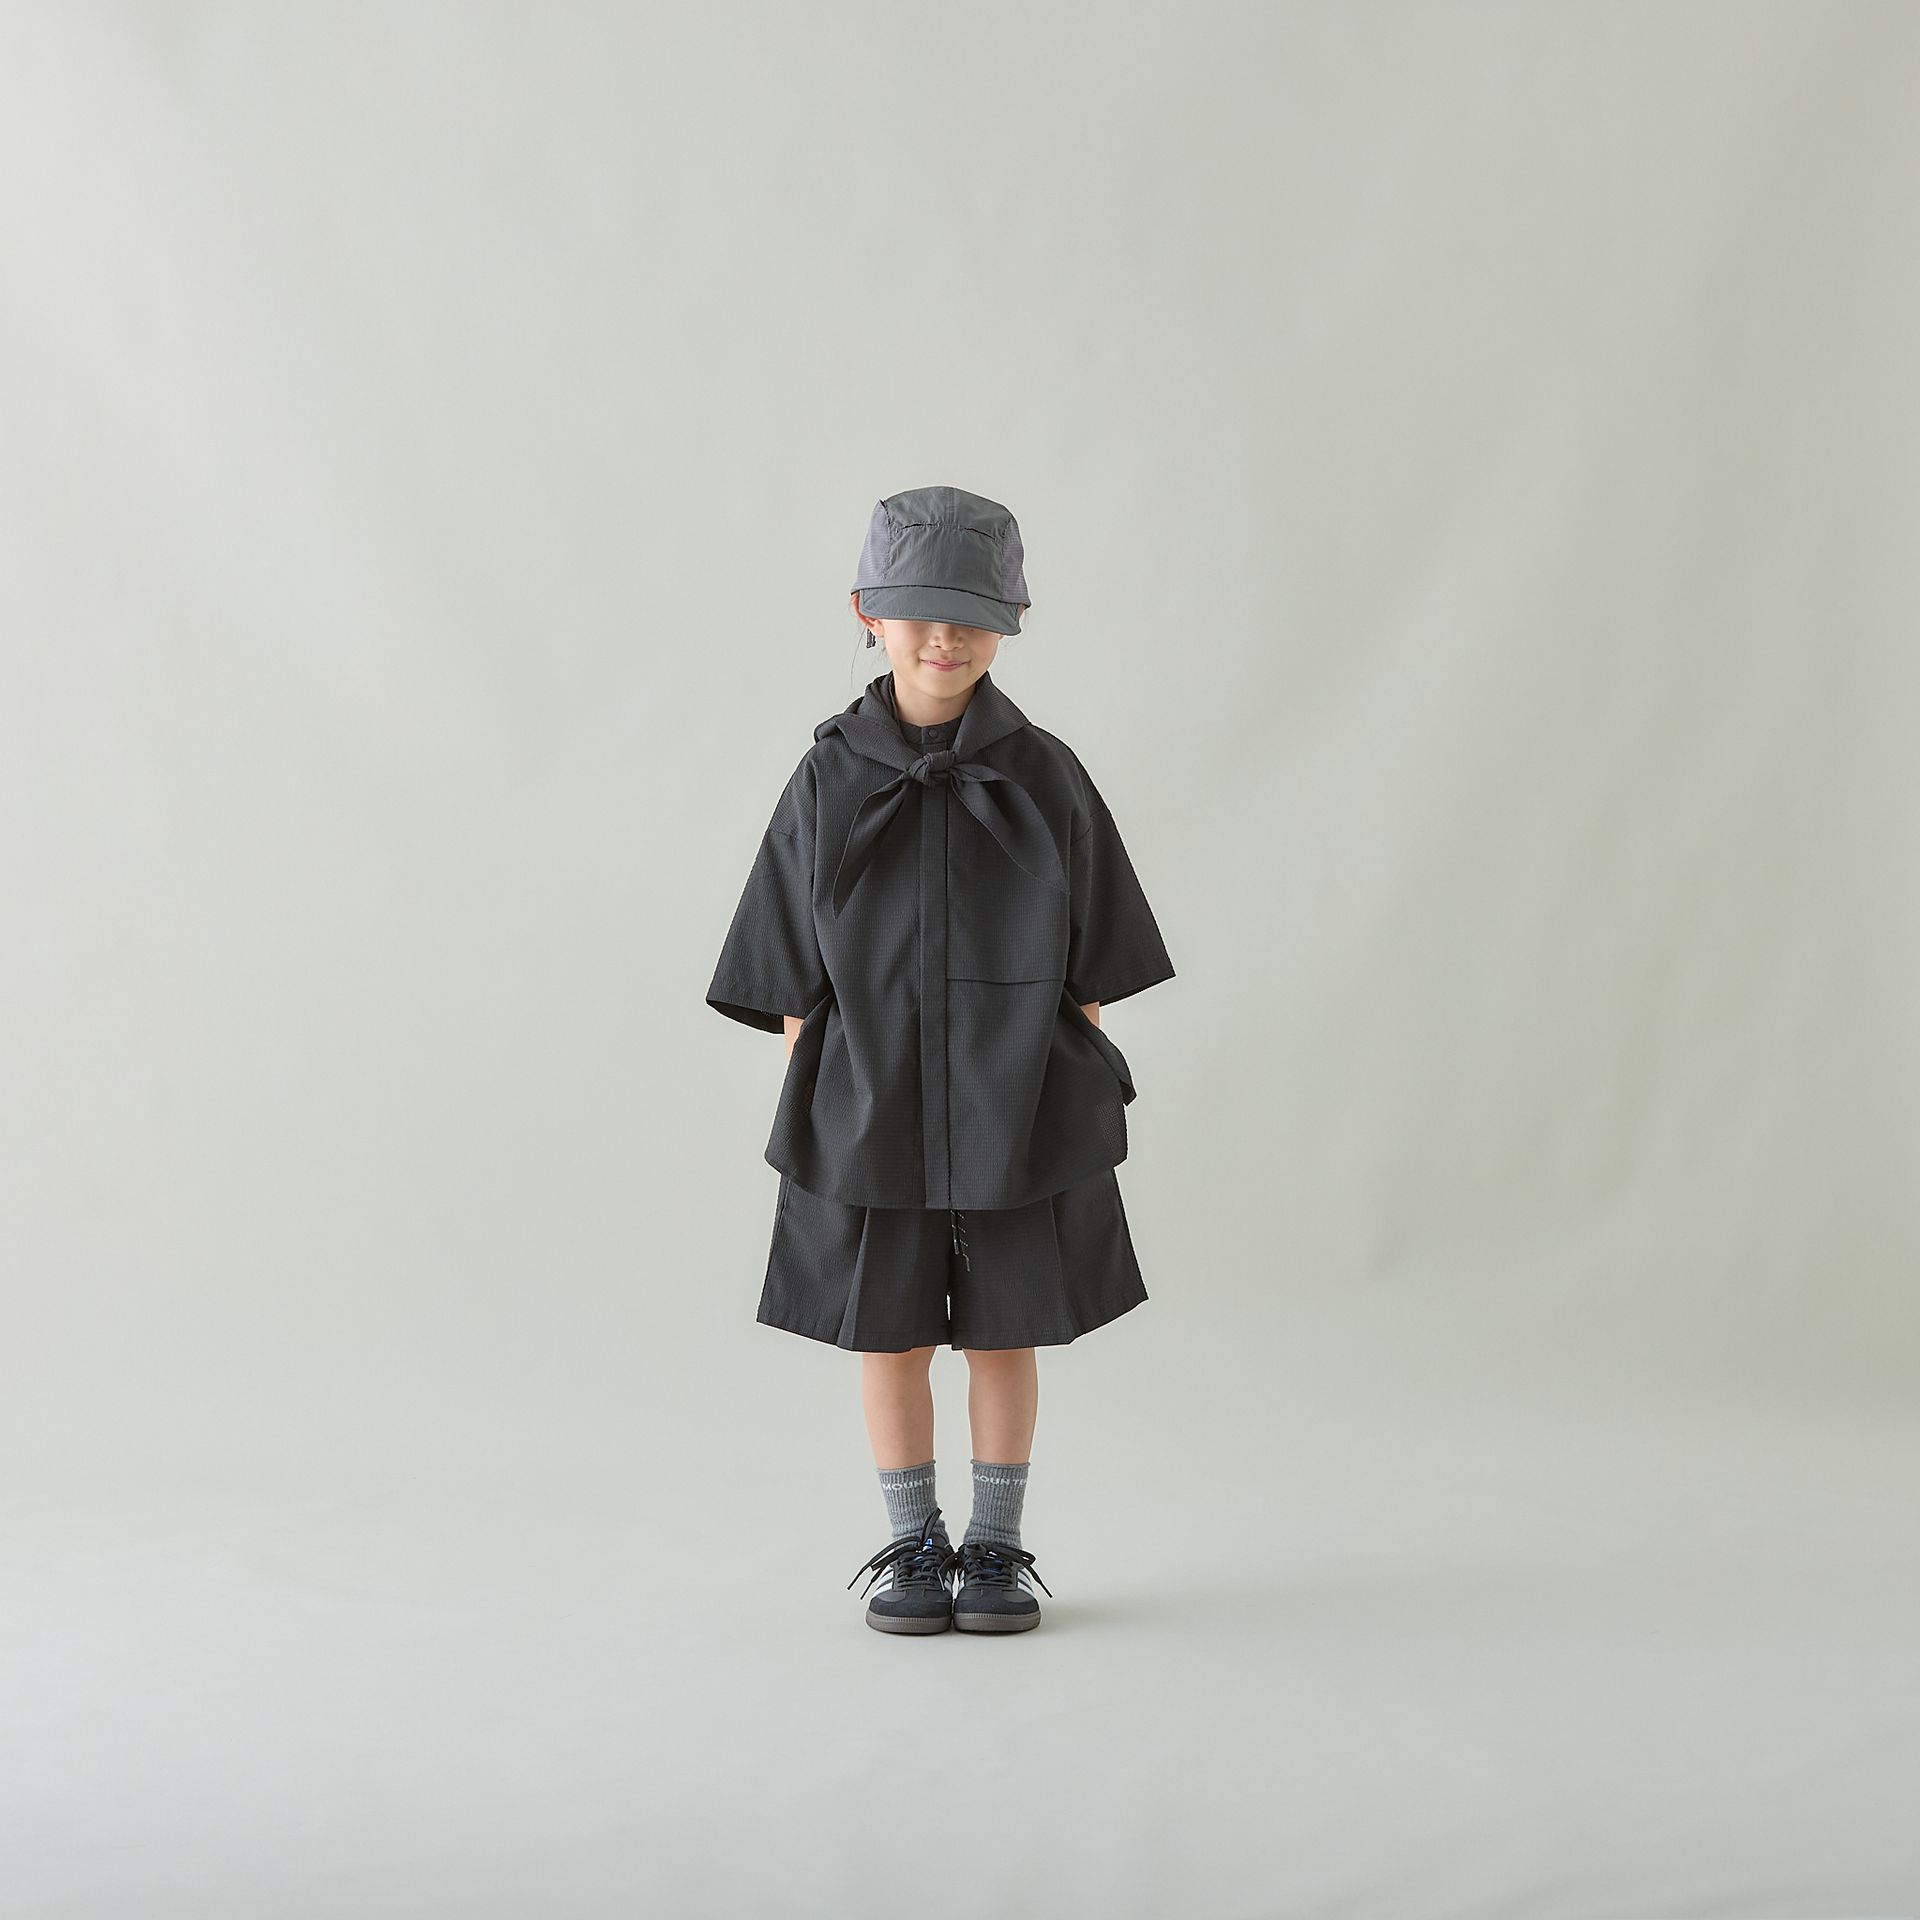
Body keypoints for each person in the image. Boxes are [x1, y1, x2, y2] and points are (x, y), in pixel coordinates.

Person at [706, 484, 1175, 1635]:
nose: (943, 638)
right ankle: (915, 1544)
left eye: (971, 615)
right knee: (892, 1334)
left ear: (1010, 619)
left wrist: (1065, 1085)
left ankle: (997, 1548)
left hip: (1021, 1102)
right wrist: (827, 1099)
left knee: (1007, 1332)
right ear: (867, 611)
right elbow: (788, 971)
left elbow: (1093, 963)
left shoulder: (1047, 773)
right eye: (919, 611)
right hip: (870, 1106)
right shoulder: (827, 776)